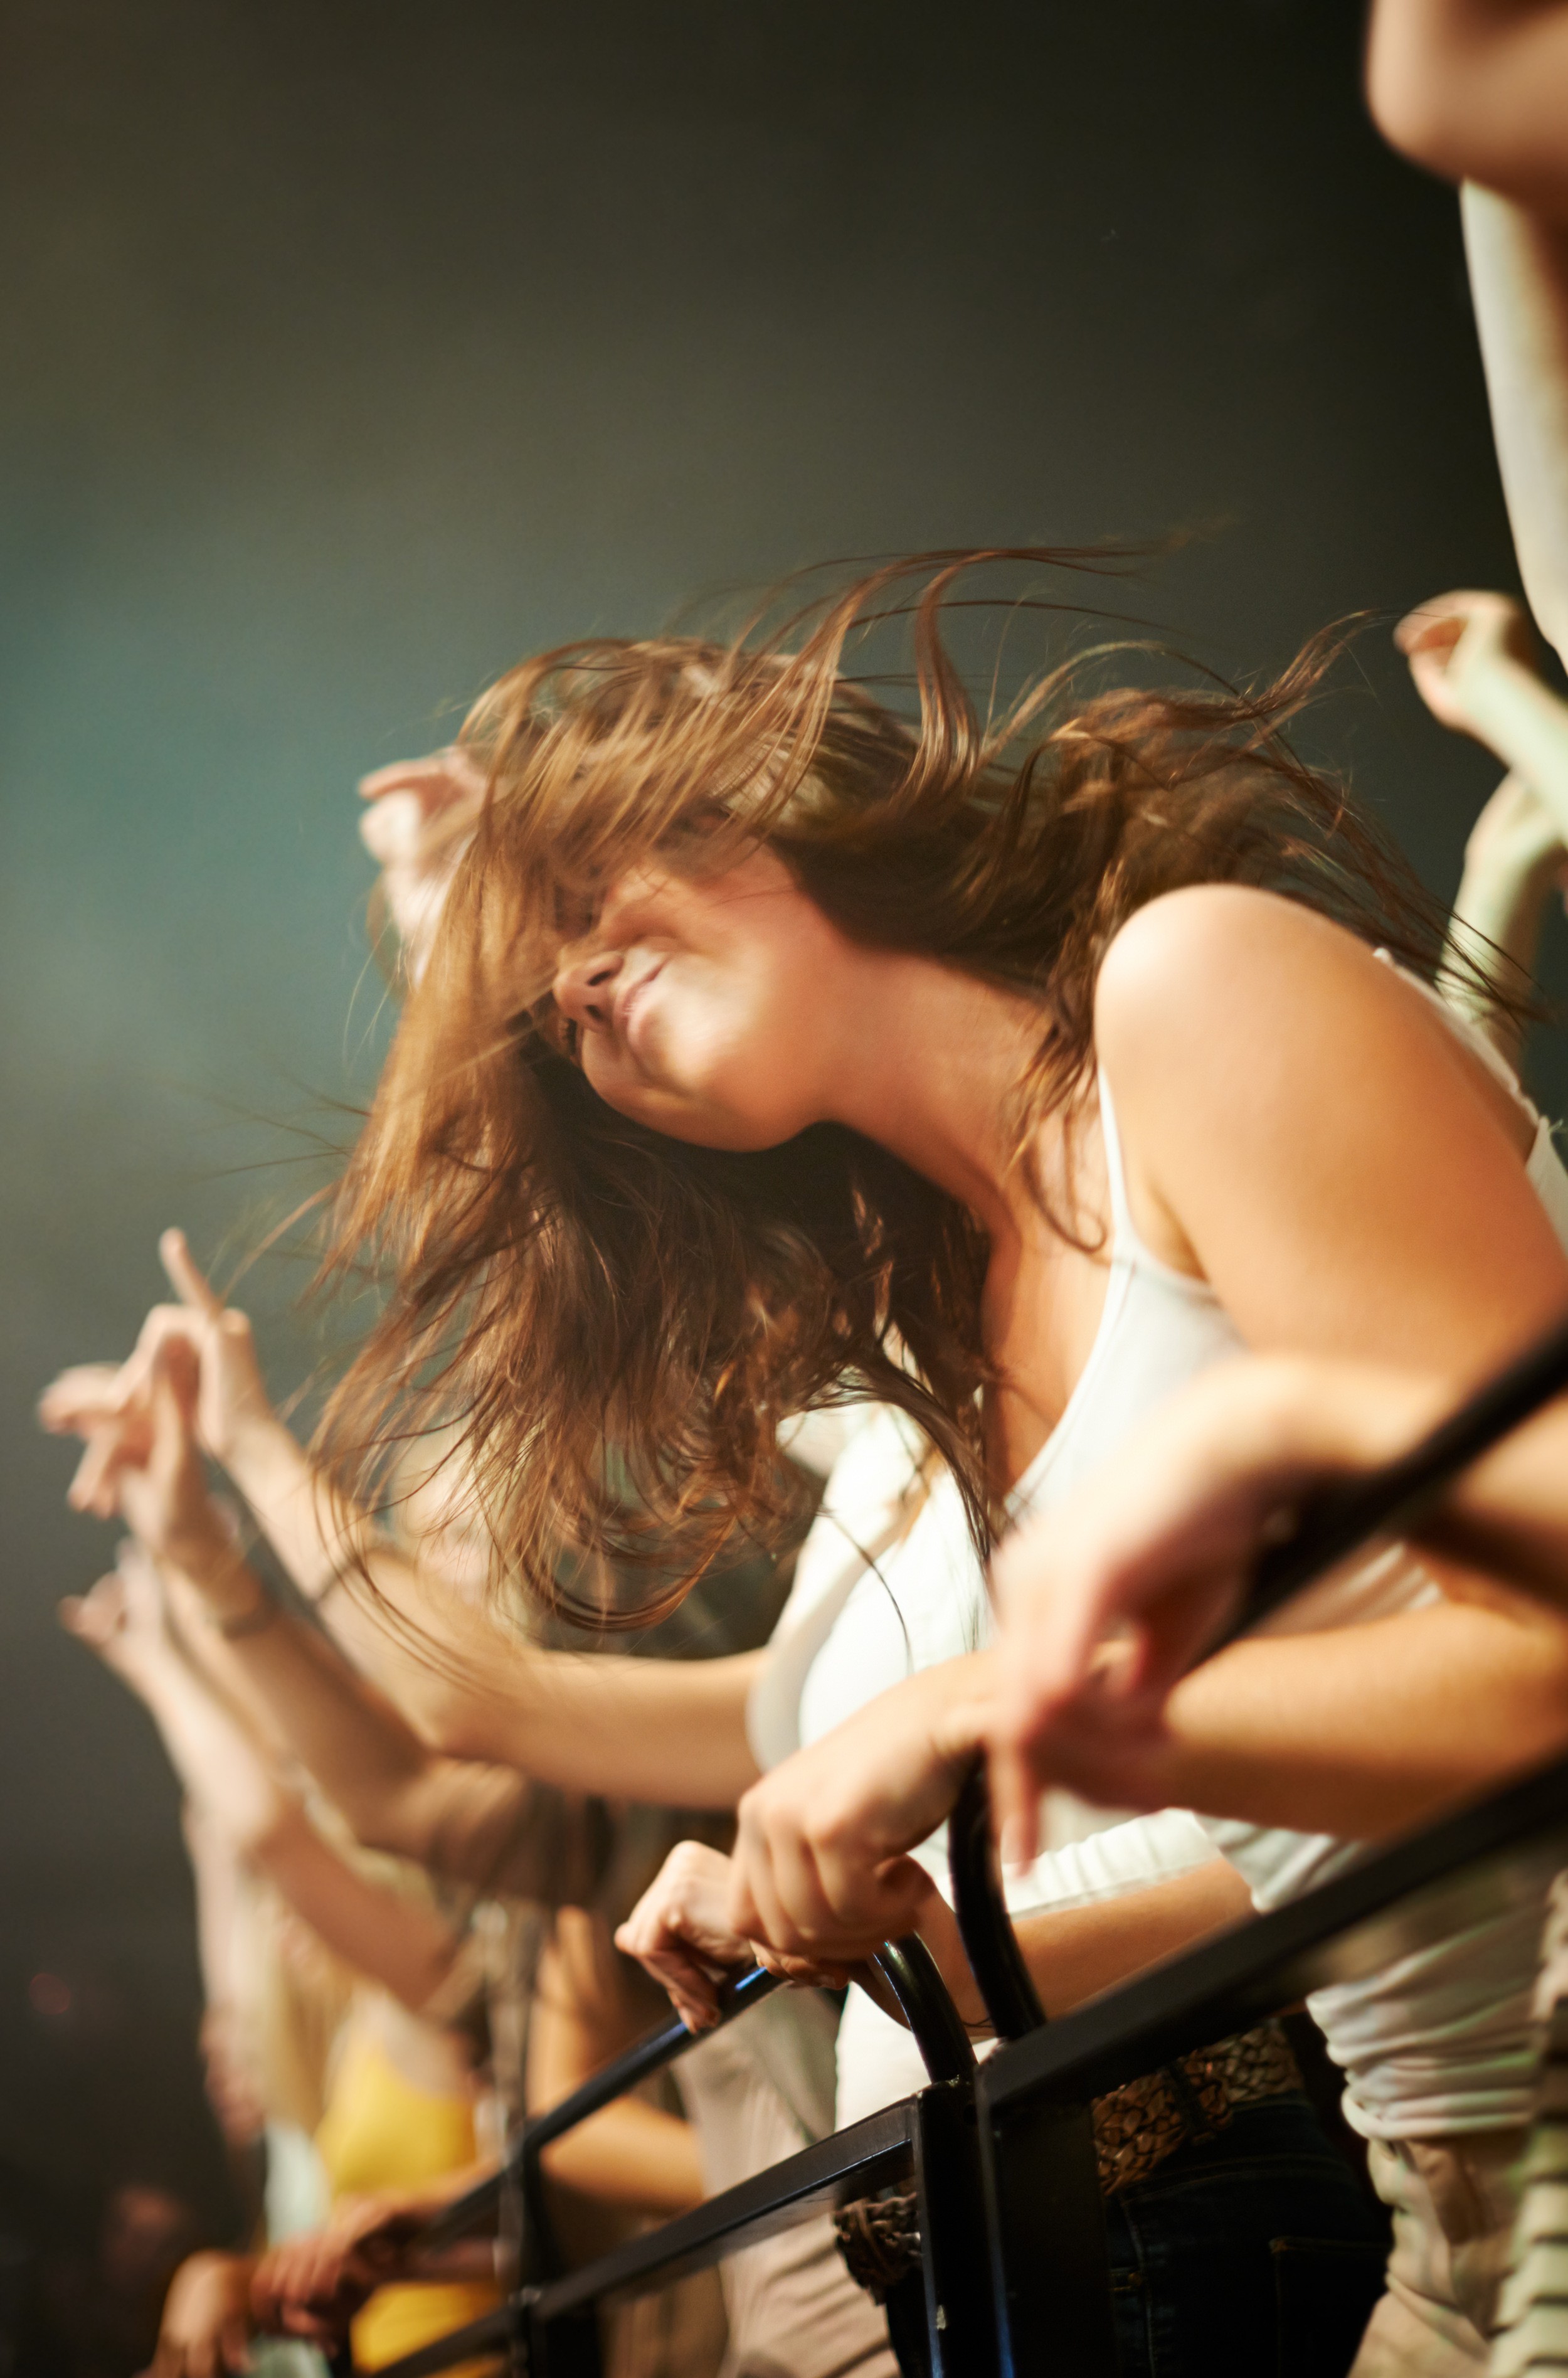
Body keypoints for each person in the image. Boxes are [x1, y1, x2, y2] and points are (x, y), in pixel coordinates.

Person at [198, 545, 1568, 2375]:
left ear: (754, 797)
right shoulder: (951, 1337)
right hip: (1449, 2217)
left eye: (586, 898)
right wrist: (911, 1925)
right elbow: (1299, 1862)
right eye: (546, 1015)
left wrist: (986, 1715)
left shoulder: (1190, 990)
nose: (575, 995)